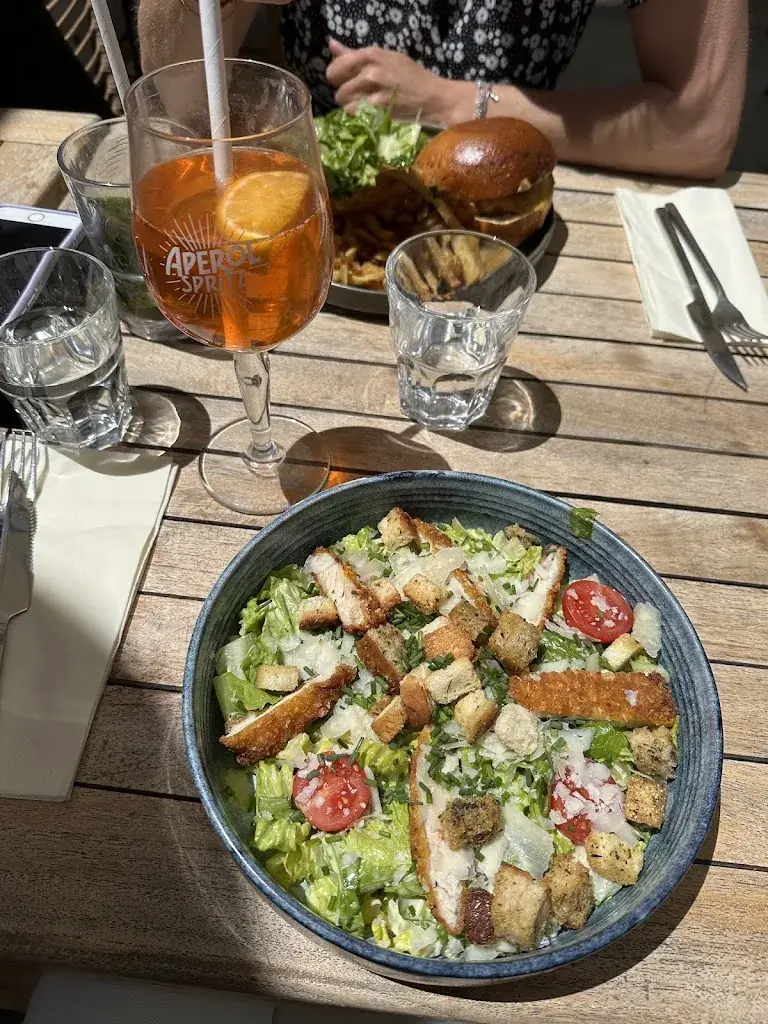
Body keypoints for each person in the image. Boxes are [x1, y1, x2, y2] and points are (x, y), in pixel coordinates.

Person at [137, 0, 748, 179]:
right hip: (312, 207)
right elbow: (183, 104)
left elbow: (698, 129)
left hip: (511, 215)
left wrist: (452, 103)